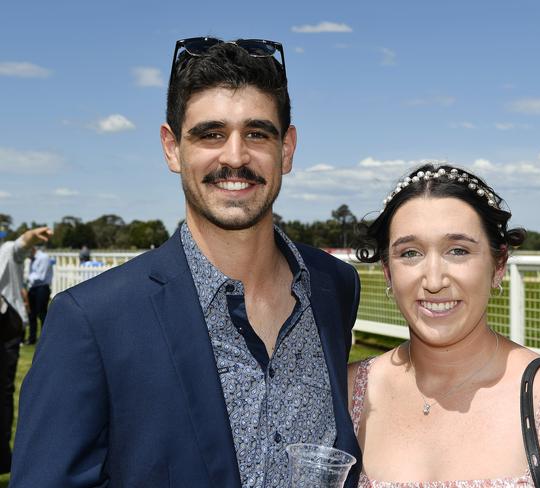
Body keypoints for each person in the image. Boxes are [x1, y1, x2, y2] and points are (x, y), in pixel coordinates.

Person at [11, 37, 362, 488]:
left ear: (287, 149)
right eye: (211, 134)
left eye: (257, 133)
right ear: (172, 148)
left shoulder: (334, 287)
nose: (235, 157)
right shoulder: (91, 320)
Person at [349, 163, 540, 487]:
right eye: (410, 253)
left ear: (498, 266)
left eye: (458, 251)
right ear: (387, 271)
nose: (434, 280)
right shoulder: (350, 391)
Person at [0, 227, 51, 474]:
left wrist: (30, 238)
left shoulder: (5, 252)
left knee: (4, 393)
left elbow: (18, 247)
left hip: (6, 327)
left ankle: (1, 455)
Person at [24, 245, 53, 345]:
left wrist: (25, 278)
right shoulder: (32, 259)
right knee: (31, 314)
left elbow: (41, 276)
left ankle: (46, 338)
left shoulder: (43, 258)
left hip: (42, 288)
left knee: (42, 314)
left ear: (32, 249)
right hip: (33, 288)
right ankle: (32, 338)